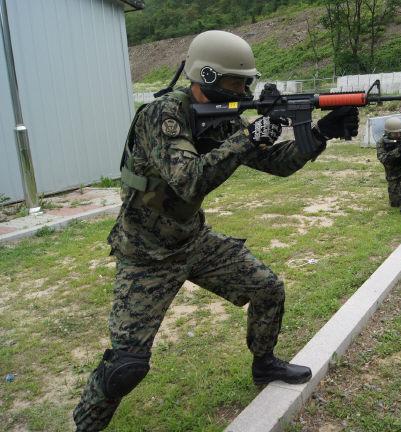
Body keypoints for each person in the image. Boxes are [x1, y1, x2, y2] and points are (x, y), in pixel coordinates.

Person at [73, 30, 359, 431]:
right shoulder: (163, 116)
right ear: (204, 75)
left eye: (245, 83)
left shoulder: (224, 117)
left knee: (267, 289)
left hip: (193, 240)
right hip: (146, 255)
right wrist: (249, 136)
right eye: (232, 82)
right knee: (126, 366)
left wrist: (321, 131)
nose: (241, 90)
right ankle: (86, 424)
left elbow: (276, 164)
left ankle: (264, 364)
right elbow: (188, 181)